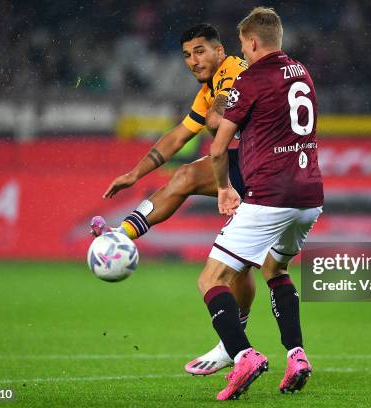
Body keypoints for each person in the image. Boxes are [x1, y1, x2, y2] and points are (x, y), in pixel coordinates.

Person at [91, 24, 253, 376]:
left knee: (262, 267)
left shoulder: (233, 71)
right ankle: (123, 234)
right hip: (253, 164)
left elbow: (220, 116)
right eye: (186, 55)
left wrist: (215, 115)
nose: (192, 61)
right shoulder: (210, 86)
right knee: (242, 263)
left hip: (267, 166)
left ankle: (240, 345)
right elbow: (180, 134)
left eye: (199, 51)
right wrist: (136, 173)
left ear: (220, 50)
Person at [198, 7, 324, 400]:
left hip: (270, 196)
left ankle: (243, 355)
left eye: (242, 46)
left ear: (252, 42)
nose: (243, 53)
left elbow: (218, 147)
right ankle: (297, 354)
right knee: (275, 266)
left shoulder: (251, 79)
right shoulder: (302, 72)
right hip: (310, 197)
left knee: (211, 279)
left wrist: (223, 189)